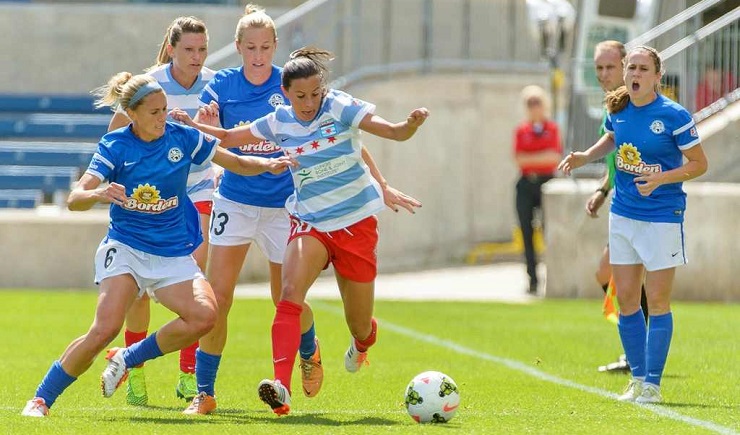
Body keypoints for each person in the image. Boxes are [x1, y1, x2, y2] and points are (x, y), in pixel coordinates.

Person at [181, 5, 420, 416]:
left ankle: (331, 345)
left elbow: (354, 141)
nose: (258, 54)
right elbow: (228, 137)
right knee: (231, 298)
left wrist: (384, 179)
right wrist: (193, 123)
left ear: (276, 47)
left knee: (319, 309)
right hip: (258, 206)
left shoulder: (303, 86)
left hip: (296, 209)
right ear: (237, 47)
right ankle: (223, 391)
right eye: (250, 47)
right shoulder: (229, 89)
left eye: (266, 46)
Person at [20, 72, 293, 418]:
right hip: (127, 248)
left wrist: (269, 164)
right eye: (154, 112)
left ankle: (127, 358)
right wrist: (98, 193)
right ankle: (41, 399)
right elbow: (75, 198)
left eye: (165, 109)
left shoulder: (182, 136)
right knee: (105, 328)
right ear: (131, 114)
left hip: (172, 253)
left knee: (205, 317)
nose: (163, 117)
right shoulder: (115, 145)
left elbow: (234, 161)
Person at [559, 45, 708, 403]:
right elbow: (612, 137)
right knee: (626, 299)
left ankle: (653, 385)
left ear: (658, 76)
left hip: (662, 217)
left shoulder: (674, 115)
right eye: (632, 68)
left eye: (644, 69)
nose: (636, 74)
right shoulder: (618, 108)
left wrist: (662, 179)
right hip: (623, 214)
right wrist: (585, 156)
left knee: (657, 301)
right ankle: (637, 380)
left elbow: (699, 163)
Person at [106, 15, 217, 406]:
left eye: (202, 49)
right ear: (172, 49)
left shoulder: (214, 84)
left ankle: (187, 377)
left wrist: (214, 128)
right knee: (137, 292)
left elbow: (230, 139)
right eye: (189, 49)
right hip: (149, 201)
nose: (197, 57)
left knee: (194, 282)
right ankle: (133, 372)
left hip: (198, 191)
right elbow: (115, 138)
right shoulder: (150, 86)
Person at [585, 40, 649, 373]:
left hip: (643, 207)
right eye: (599, 67)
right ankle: (638, 345)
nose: (604, 74)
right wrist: (602, 189)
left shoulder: (638, 103)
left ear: (625, 64)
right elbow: (617, 159)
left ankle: (640, 349)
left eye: (610, 66)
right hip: (621, 203)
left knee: (623, 278)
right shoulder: (614, 105)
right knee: (608, 274)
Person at [513, 85, 562, 294]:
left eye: (537, 102)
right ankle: (532, 278)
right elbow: (519, 159)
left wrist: (532, 159)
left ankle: (553, 275)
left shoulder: (551, 129)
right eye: (529, 103)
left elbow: (554, 157)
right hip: (526, 183)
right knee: (526, 230)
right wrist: (539, 158)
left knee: (547, 229)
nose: (533, 107)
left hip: (546, 182)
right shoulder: (522, 130)